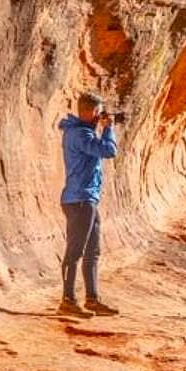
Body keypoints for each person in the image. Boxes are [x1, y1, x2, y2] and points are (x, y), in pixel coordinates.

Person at [58, 92, 120, 317]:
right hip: (80, 200)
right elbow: (108, 151)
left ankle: (92, 299)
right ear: (89, 112)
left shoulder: (82, 132)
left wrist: (102, 127)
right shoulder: (80, 134)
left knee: (93, 251)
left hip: (86, 198)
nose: (99, 117)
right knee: (75, 252)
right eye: (98, 112)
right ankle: (68, 300)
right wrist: (108, 129)